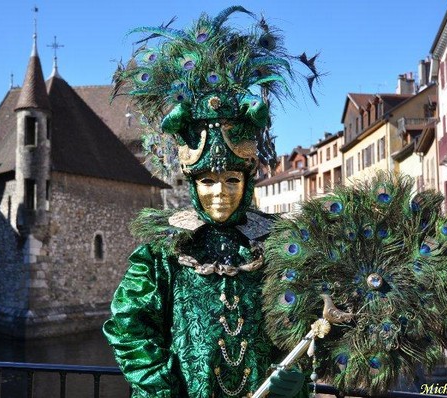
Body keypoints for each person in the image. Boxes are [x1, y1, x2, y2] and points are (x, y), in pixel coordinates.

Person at [103, 7, 319, 397]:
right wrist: (159, 385)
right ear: (192, 183)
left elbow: (303, 325)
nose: (219, 193)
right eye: (207, 180)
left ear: (248, 180)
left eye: (231, 179)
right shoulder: (163, 249)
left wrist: (297, 376)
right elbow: (128, 325)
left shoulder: (278, 245)